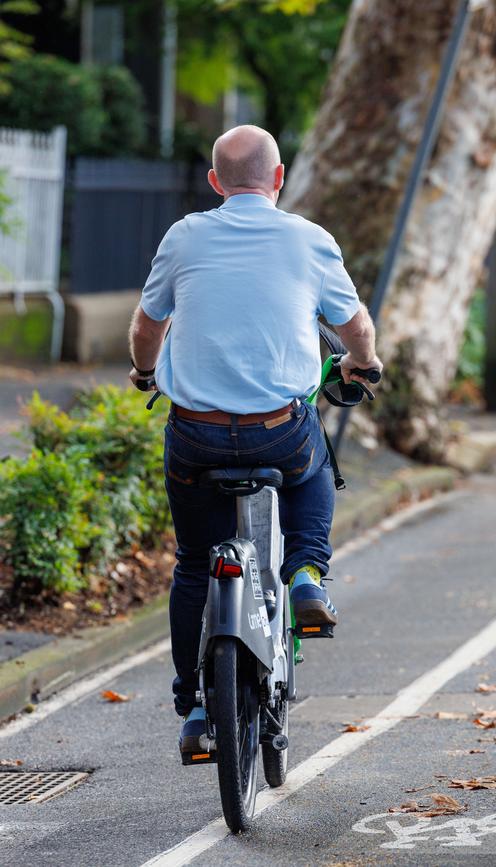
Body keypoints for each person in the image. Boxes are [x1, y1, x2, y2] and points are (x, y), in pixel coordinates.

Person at [128, 124, 382, 758]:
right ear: (279, 178)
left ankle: (191, 707)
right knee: (314, 464)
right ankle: (304, 575)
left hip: (196, 438)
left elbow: (146, 325)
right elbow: (355, 327)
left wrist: (143, 371)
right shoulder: (309, 239)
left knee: (192, 563)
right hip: (278, 433)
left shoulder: (183, 236)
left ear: (215, 182)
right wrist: (363, 363)